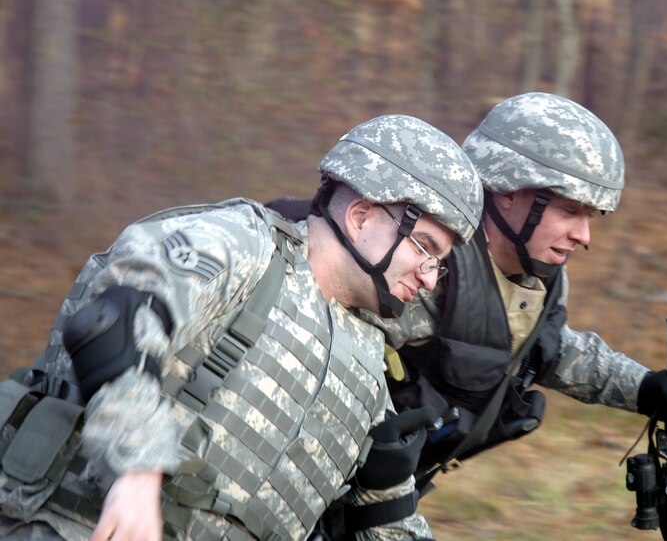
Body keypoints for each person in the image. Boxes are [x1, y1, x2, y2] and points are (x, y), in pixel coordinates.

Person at [0, 114, 483, 541]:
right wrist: (139, 471)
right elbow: (115, 323)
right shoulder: (245, 248)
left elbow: (388, 520)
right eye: (424, 246)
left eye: (439, 263)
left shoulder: (367, 368)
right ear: (361, 216)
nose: (428, 277)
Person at [366, 93, 667, 500]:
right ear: (508, 190)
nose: (584, 236)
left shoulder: (541, 275)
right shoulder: (426, 265)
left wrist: (646, 388)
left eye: (590, 216)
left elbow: (545, 346)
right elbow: (336, 372)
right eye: (570, 211)